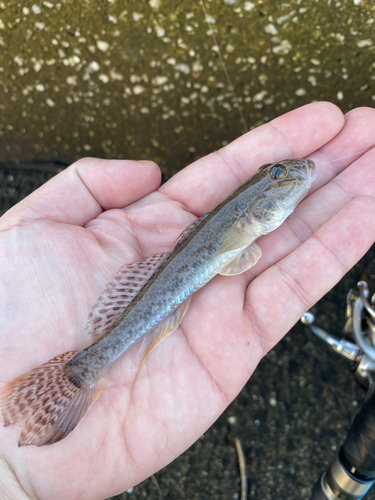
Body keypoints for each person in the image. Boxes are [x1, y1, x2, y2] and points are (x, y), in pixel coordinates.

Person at [0, 102, 374, 499]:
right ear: (255, 205)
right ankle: (82, 371)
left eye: (277, 172)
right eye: (276, 173)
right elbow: (234, 252)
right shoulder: (247, 214)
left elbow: (234, 252)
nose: (287, 174)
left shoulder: (253, 215)